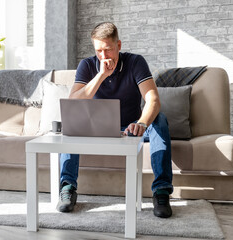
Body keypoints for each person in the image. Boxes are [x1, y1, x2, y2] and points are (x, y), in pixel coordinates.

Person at [56, 22, 173, 218]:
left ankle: (161, 191)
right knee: (72, 123)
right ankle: (68, 187)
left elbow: (153, 99)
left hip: (132, 128)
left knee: (159, 119)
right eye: (98, 51)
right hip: (97, 129)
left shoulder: (135, 62)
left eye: (108, 50)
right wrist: (101, 76)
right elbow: (73, 102)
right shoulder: (87, 65)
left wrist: (142, 123)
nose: (103, 56)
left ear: (118, 45)